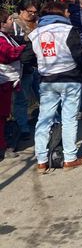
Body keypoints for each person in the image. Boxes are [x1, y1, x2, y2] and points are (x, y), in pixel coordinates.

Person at [29, 1, 82, 173]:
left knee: (44, 119)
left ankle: (41, 160)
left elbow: (28, 57)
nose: (69, 13)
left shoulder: (35, 33)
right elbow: (79, 55)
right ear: (61, 12)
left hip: (47, 80)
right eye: (67, 11)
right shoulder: (69, 30)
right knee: (69, 118)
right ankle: (70, 158)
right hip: (70, 79)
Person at [10, 0, 41, 138]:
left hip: (36, 65)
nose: (33, 14)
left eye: (35, 12)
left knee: (41, 95)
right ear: (22, 10)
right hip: (22, 67)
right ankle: (23, 128)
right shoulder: (14, 24)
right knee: (21, 98)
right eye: (30, 12)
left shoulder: (38, 23)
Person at [0, 8, 26, 161]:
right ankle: (2, 146)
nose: (12, 22)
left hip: (7, 81)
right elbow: (7, 54)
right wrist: (23, 49)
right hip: (3, 81)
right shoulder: (1, 39)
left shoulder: (6, 36)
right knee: (1, 116)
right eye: (10, 19)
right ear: (2, 24)